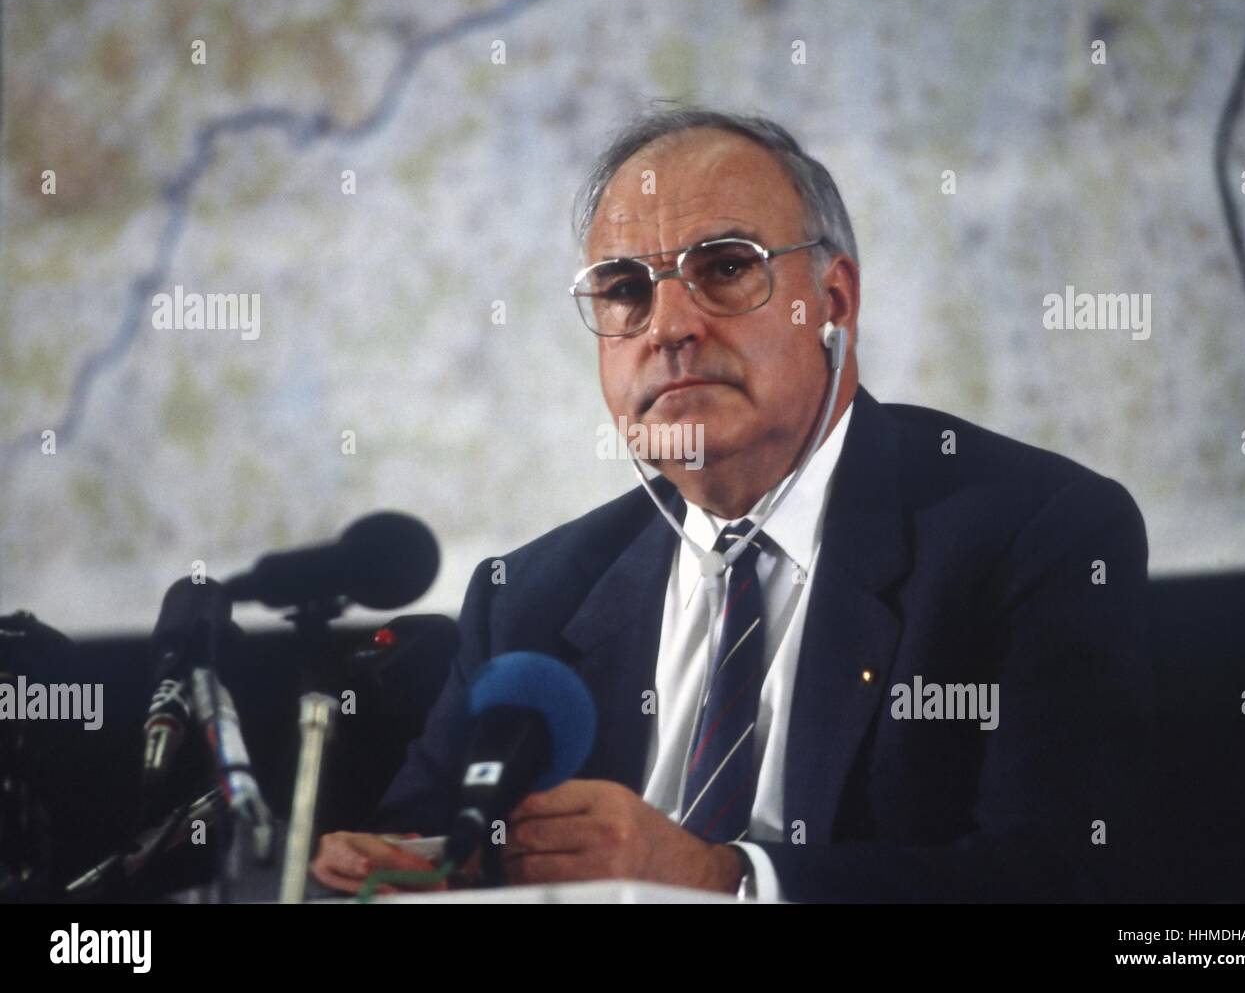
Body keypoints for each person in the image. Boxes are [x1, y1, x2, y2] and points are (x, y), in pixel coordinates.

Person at [312, 107, 1153, 902]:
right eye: (625, 289)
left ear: (834, 303)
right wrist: (399, 871)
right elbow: (416, 841)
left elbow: (1063, 882)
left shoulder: (1037, 536)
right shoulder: (529, 595)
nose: (668, 326)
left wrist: (719, 879)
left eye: (724, 268)